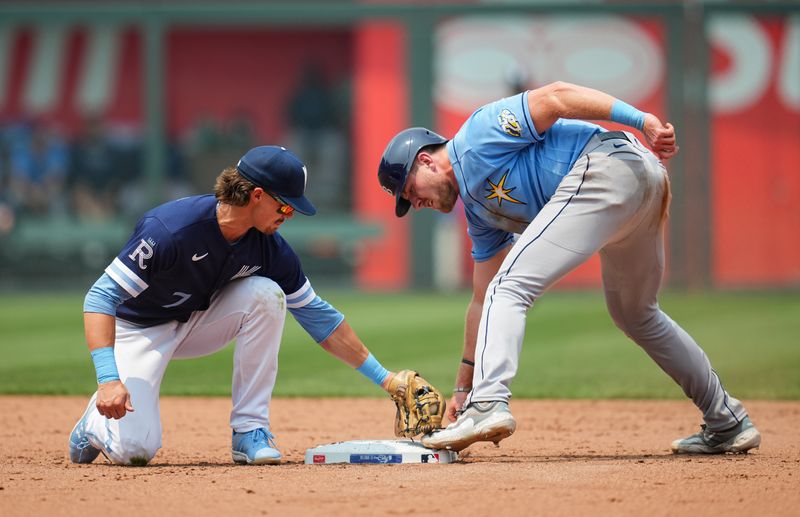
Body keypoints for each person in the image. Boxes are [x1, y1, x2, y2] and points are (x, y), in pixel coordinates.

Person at [377, 81, 761, 454]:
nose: (414, 202)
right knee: (635, 313)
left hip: (609, 166)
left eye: (409, 189)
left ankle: (489, 404)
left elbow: (556, 97)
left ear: (426, 160)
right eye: (406, 200)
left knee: (510, 288)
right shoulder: (480, 216)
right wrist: (463, 387)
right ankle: (727, 422)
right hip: (640, 180)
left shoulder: (474, 136)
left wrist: (640, 119)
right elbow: (481, 299)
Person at [69, 145, 399, 466]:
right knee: (135, 451)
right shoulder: (171, 229)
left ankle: (250, 430)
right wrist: (109, 378)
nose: (290, 216)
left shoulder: (271, 249)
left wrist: (387, 380)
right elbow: (100, 297)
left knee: (267, 294)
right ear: (257, 196)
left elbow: (318, 316)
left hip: (198, 323)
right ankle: (94, 425)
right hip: (140, 330)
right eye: (285, 207)